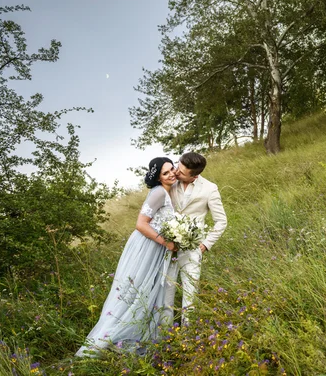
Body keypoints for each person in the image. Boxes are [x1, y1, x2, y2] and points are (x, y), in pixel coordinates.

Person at [76, 157, 178, 357]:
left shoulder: (167, 192)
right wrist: (167, 243)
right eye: (166, 173)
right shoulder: (158, 193)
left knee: (148, 289)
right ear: (158, 177)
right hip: (148, 245)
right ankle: (110, 339)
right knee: (137, 289)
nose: (172, 173)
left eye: (172, 169)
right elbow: (141, 224)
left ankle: (142, 334)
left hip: (155, 245)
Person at [162, 152, 227, 326]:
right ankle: (165, 333)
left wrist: (205, 245)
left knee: (190, 293)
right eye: (177, 166)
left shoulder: (209, 188)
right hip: (167, 246)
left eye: (182, 172)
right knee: (166, 290)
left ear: (195, 175)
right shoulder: (170, 180)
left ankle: (187, 336)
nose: (176, 172)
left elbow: (221, 221)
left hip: (192, 248)